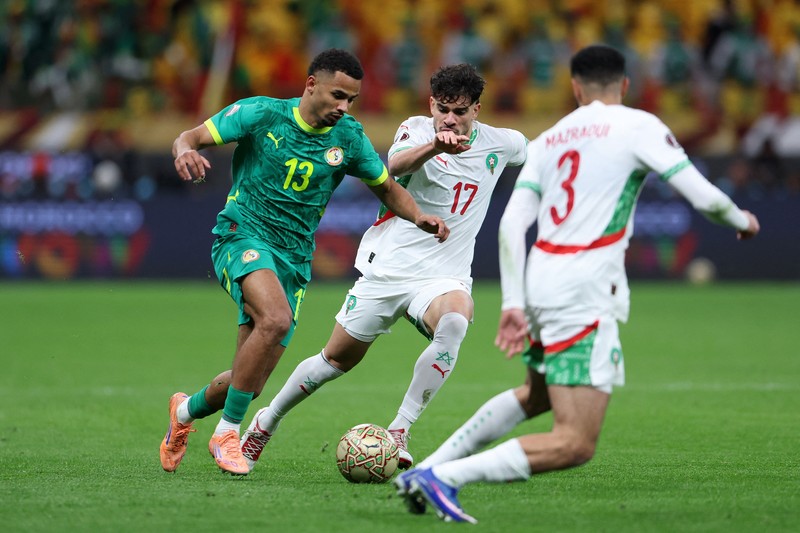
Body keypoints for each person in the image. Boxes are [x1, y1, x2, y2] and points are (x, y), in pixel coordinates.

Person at [394, 44, 760, 524]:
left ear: (575, 89)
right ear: (624, 87)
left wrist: (514, 301)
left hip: (543, 279)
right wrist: (741, 218)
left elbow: (511, 225)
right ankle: (444, 478)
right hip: (584, 288)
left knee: (537, 395)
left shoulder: (552, 138)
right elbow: (703, 195)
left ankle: (427, 468)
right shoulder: (638, 125)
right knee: (576, 441)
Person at [159, 48, 449, 476]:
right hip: (242, 235)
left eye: (350, 100)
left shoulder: (348, 137)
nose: (343, 107)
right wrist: (184, 150)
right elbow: (189, 136)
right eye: (337, 95)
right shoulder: (261, 114)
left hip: (292, 260)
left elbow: (387, 188)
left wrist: (419, 215)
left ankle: (184, 413)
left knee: (250, 382)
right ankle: (226, 435)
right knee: (274, 320)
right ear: (310, 84)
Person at [237, 63, 529, 472]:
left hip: (444, 276)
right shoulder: (416, 130)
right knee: (333, 362)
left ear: (476, 110)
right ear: (431, 104)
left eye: (459, 112)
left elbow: (543, 156)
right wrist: (436, 147)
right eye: (442, 108)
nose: (449, 119)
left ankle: (399, 430)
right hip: (389, 269)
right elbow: (394, 167)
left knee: (455, 322)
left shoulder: (504, 144)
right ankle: (266, 421)